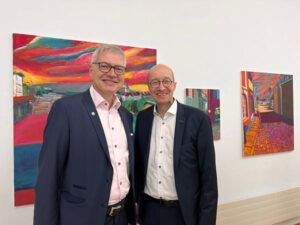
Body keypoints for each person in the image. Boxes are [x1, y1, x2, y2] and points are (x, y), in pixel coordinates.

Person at [34, 44, 136, 225]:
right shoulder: (66, 110)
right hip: (82, 218)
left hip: (121, 217)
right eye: (105, 66)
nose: (112, 74)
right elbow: (48, 176)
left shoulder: (125, 115)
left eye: (118, 69)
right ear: (91, 69)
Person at [135, 64, 218, 225]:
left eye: (166, 81)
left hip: (183, 213)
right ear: (149, 88)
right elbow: (138, 165)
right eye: (155, 82)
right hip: (149, 211)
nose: (161, 87)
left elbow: (208, 177)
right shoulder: (143, 119)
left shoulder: (197, 119)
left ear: (174, 85)